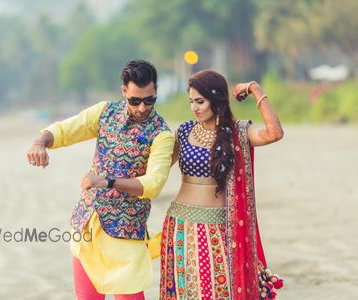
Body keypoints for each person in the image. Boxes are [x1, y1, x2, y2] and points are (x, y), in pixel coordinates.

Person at [27, 60, 174, 300]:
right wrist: (39, 143)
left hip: (126, 234)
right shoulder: (105, 112)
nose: (141, 108)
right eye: (135, 100)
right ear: (124, 91)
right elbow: (65, 130)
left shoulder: (161, 134)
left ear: (156, 90)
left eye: (149, 100)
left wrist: (107, 181)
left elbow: (153, 184)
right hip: (87, 224)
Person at [160, 70, 284, 300]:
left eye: (200, 101)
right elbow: (159, 168)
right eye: (191, 102)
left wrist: (256, 90)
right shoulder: (185, 131)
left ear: (216, 101)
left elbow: (274, 133)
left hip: (217, 228)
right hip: (180, 225)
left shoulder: (236, 133)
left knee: (218, 292)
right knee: (183, 292)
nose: (194, 108)